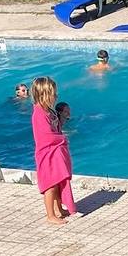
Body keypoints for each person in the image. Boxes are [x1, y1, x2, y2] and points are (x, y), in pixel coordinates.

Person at [31, 76, 80, 223]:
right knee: (50, 185)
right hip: (46, 154)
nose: (56, 96)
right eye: (53, 94)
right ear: (45, 95)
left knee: (58, 181)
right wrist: (63, 139)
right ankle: (50, 215)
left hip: (55, 152)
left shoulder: (50, 112)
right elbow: (46, 137)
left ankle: (59, 208)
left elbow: (56, 128)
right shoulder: (39, 114)